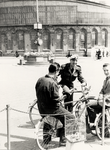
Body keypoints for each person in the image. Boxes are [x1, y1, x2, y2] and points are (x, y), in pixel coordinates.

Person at [35, 63, 75, 146]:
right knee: (70, 117)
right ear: (56, 72)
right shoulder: (52, 83)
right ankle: (63, 140)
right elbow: (56, 99)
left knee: (47, 119)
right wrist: (63, 96)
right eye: (58, 73)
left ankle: (46, 141)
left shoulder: (40, 80)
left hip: (41, 108)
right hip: (52, 109)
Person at [87, 63, 110, 136]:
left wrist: (103, 97)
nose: (105, 72)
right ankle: (100, 126)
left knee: (90, 105)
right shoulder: (106, 80)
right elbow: (102, 90)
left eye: (107, 70)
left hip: (108, 102)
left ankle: (95, 125)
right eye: (104, 71)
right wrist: (100, 96)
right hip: (103, 100)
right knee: (89, 104)